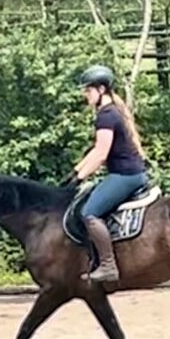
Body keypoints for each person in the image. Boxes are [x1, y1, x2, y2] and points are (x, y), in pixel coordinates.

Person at [65, 65, 148, 283]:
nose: (85, 94)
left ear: (101, 89)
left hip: (125, 176)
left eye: (88, 90)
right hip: (131, 173)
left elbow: (101, 154)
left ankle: (108, 266)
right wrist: (76, 172)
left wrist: (81, 177)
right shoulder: (113, 111)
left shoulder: (106, 116)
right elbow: (95, 151)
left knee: (89, 213)